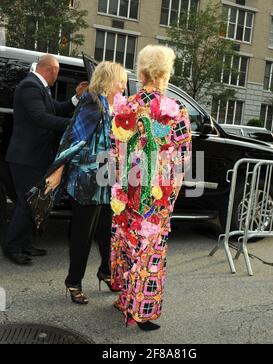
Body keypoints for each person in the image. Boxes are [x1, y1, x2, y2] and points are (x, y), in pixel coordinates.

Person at [110, 45, 192, 331]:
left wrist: (117, 187)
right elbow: (183, 159)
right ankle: (142, 310)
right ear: (164, 74)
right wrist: (170, 199)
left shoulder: (125, 106)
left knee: (128, 242)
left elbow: (114, 149)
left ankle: (124, 298)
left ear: (142, 72)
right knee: (150, 250)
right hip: (157, 195)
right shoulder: (175, 112)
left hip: (126, 192)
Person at [46, 61, 127, 304]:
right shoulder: (93, 101)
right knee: (83, 234)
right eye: (121, 80)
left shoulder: (114, 105)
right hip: (87, 180)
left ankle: (106, 271)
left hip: (107, 179)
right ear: (110, 80)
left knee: (107, 231)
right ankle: (73, 281)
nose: (124, 85)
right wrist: (57, 169)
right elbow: (73, 138)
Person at [3, 54, 88, 266]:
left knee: (34, 203)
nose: (56, 77)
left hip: (35, 157)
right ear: (51, 70)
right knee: (27, 203)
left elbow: (54, 109)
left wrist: (75, 98)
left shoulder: (39, 87)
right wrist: (75, 126)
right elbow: (41, 118)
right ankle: (12, 247)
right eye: (57, 73)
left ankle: (25, 244)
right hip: (25, 158)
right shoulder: (30, 86)